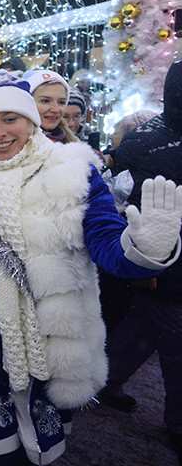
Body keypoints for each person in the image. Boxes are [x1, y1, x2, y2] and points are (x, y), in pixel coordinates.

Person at [0, 70, 182, 466]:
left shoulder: (73, 172)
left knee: (40, 443)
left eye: (9, 119)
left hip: (50, 333)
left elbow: (105, 242)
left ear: (30, 121)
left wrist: (141, 249)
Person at [101, 61, 182, 461]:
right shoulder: (146, 145)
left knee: (145, 329)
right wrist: (144, 265)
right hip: (161, 265)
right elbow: (130, 209)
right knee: (170, 343)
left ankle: (106, 380)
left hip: (164, 271)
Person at [25, 69, 78, 143]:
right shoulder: (14, 146)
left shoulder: (73, 144)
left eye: (61, 102)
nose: (56, 109)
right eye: (45, 101)